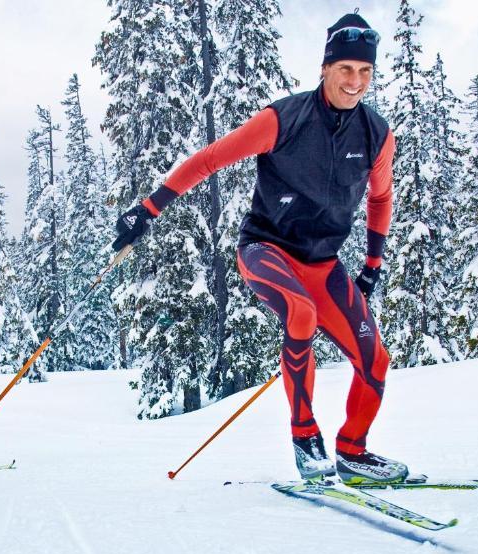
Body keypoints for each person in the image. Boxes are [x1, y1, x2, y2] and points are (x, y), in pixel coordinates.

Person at [112, 12, 405, 484]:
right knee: (301, 312)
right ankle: (306, 439)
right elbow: (210, 160)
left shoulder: (375, 134)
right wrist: (147, 209)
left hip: (324, 264)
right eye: (346, 69)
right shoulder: (283, 120)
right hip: (266, 250)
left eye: (365, 71)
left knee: (375, 360)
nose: (355, 81)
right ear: (326, 67)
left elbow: (381, 197)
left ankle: (353, 451)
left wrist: (372, 262)